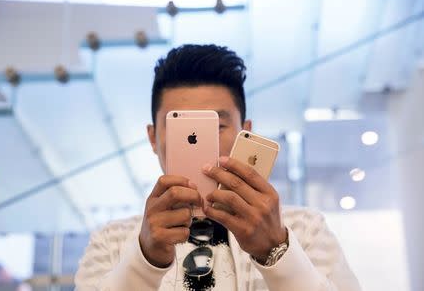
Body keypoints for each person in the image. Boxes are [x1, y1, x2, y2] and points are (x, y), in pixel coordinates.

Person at [75, 44, 361, 290]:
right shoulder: (112, 242)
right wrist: (144, 259)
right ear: (153, 137)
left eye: (217, 125)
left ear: (244, 131)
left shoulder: (302, 229)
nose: (199, 140)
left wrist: (276, 252)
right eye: (181, 125)